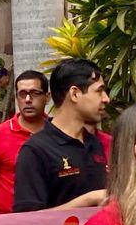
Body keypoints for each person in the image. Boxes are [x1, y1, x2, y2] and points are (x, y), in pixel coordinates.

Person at [13, 59, 110, 212]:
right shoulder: (35, 150)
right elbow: (27, 220)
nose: (106, 99)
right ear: (75, 94)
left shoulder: (96, 143)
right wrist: (89, 200)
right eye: (99, 91)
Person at [0, 70, 50, 215]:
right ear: (16, 97)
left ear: (47, 97)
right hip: (9, 223)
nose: (28, 99)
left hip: (50, 221)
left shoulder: (58, 133)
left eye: (35, 93)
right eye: (22, 94)